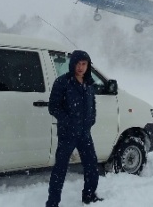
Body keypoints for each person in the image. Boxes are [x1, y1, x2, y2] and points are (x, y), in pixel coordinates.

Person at [45, 50, 103, 207]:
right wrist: (69, 121)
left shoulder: (88, 83)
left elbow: (92, 104)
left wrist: (91, 119)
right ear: (72, 64)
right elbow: (53, 107)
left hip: (84, 133)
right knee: (60, 169)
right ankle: (52, 202)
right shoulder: (62, 82)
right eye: (78, 63)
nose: (81, 67)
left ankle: (89, 195)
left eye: (84, 64)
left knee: (91, 165)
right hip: (67, 133)